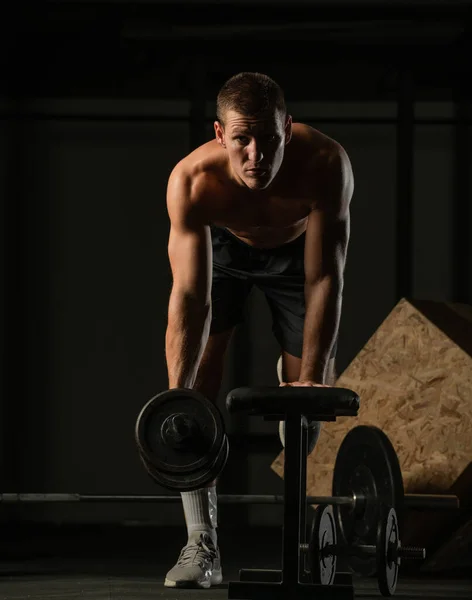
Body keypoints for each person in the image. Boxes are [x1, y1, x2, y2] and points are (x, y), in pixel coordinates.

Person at [163, 72, 353, 588]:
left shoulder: (324, 163)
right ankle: (201, 545)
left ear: (287, 129)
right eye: (242, 139)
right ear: (220, 135)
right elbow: (190, 297)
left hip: (299, 257)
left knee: (304, 406)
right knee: (195, 388)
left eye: (269, 138)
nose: (256, 155)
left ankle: (296, 540)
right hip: (223, 252)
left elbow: (323, 278)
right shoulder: (194, 180)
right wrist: (178, 397)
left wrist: (311, 380)